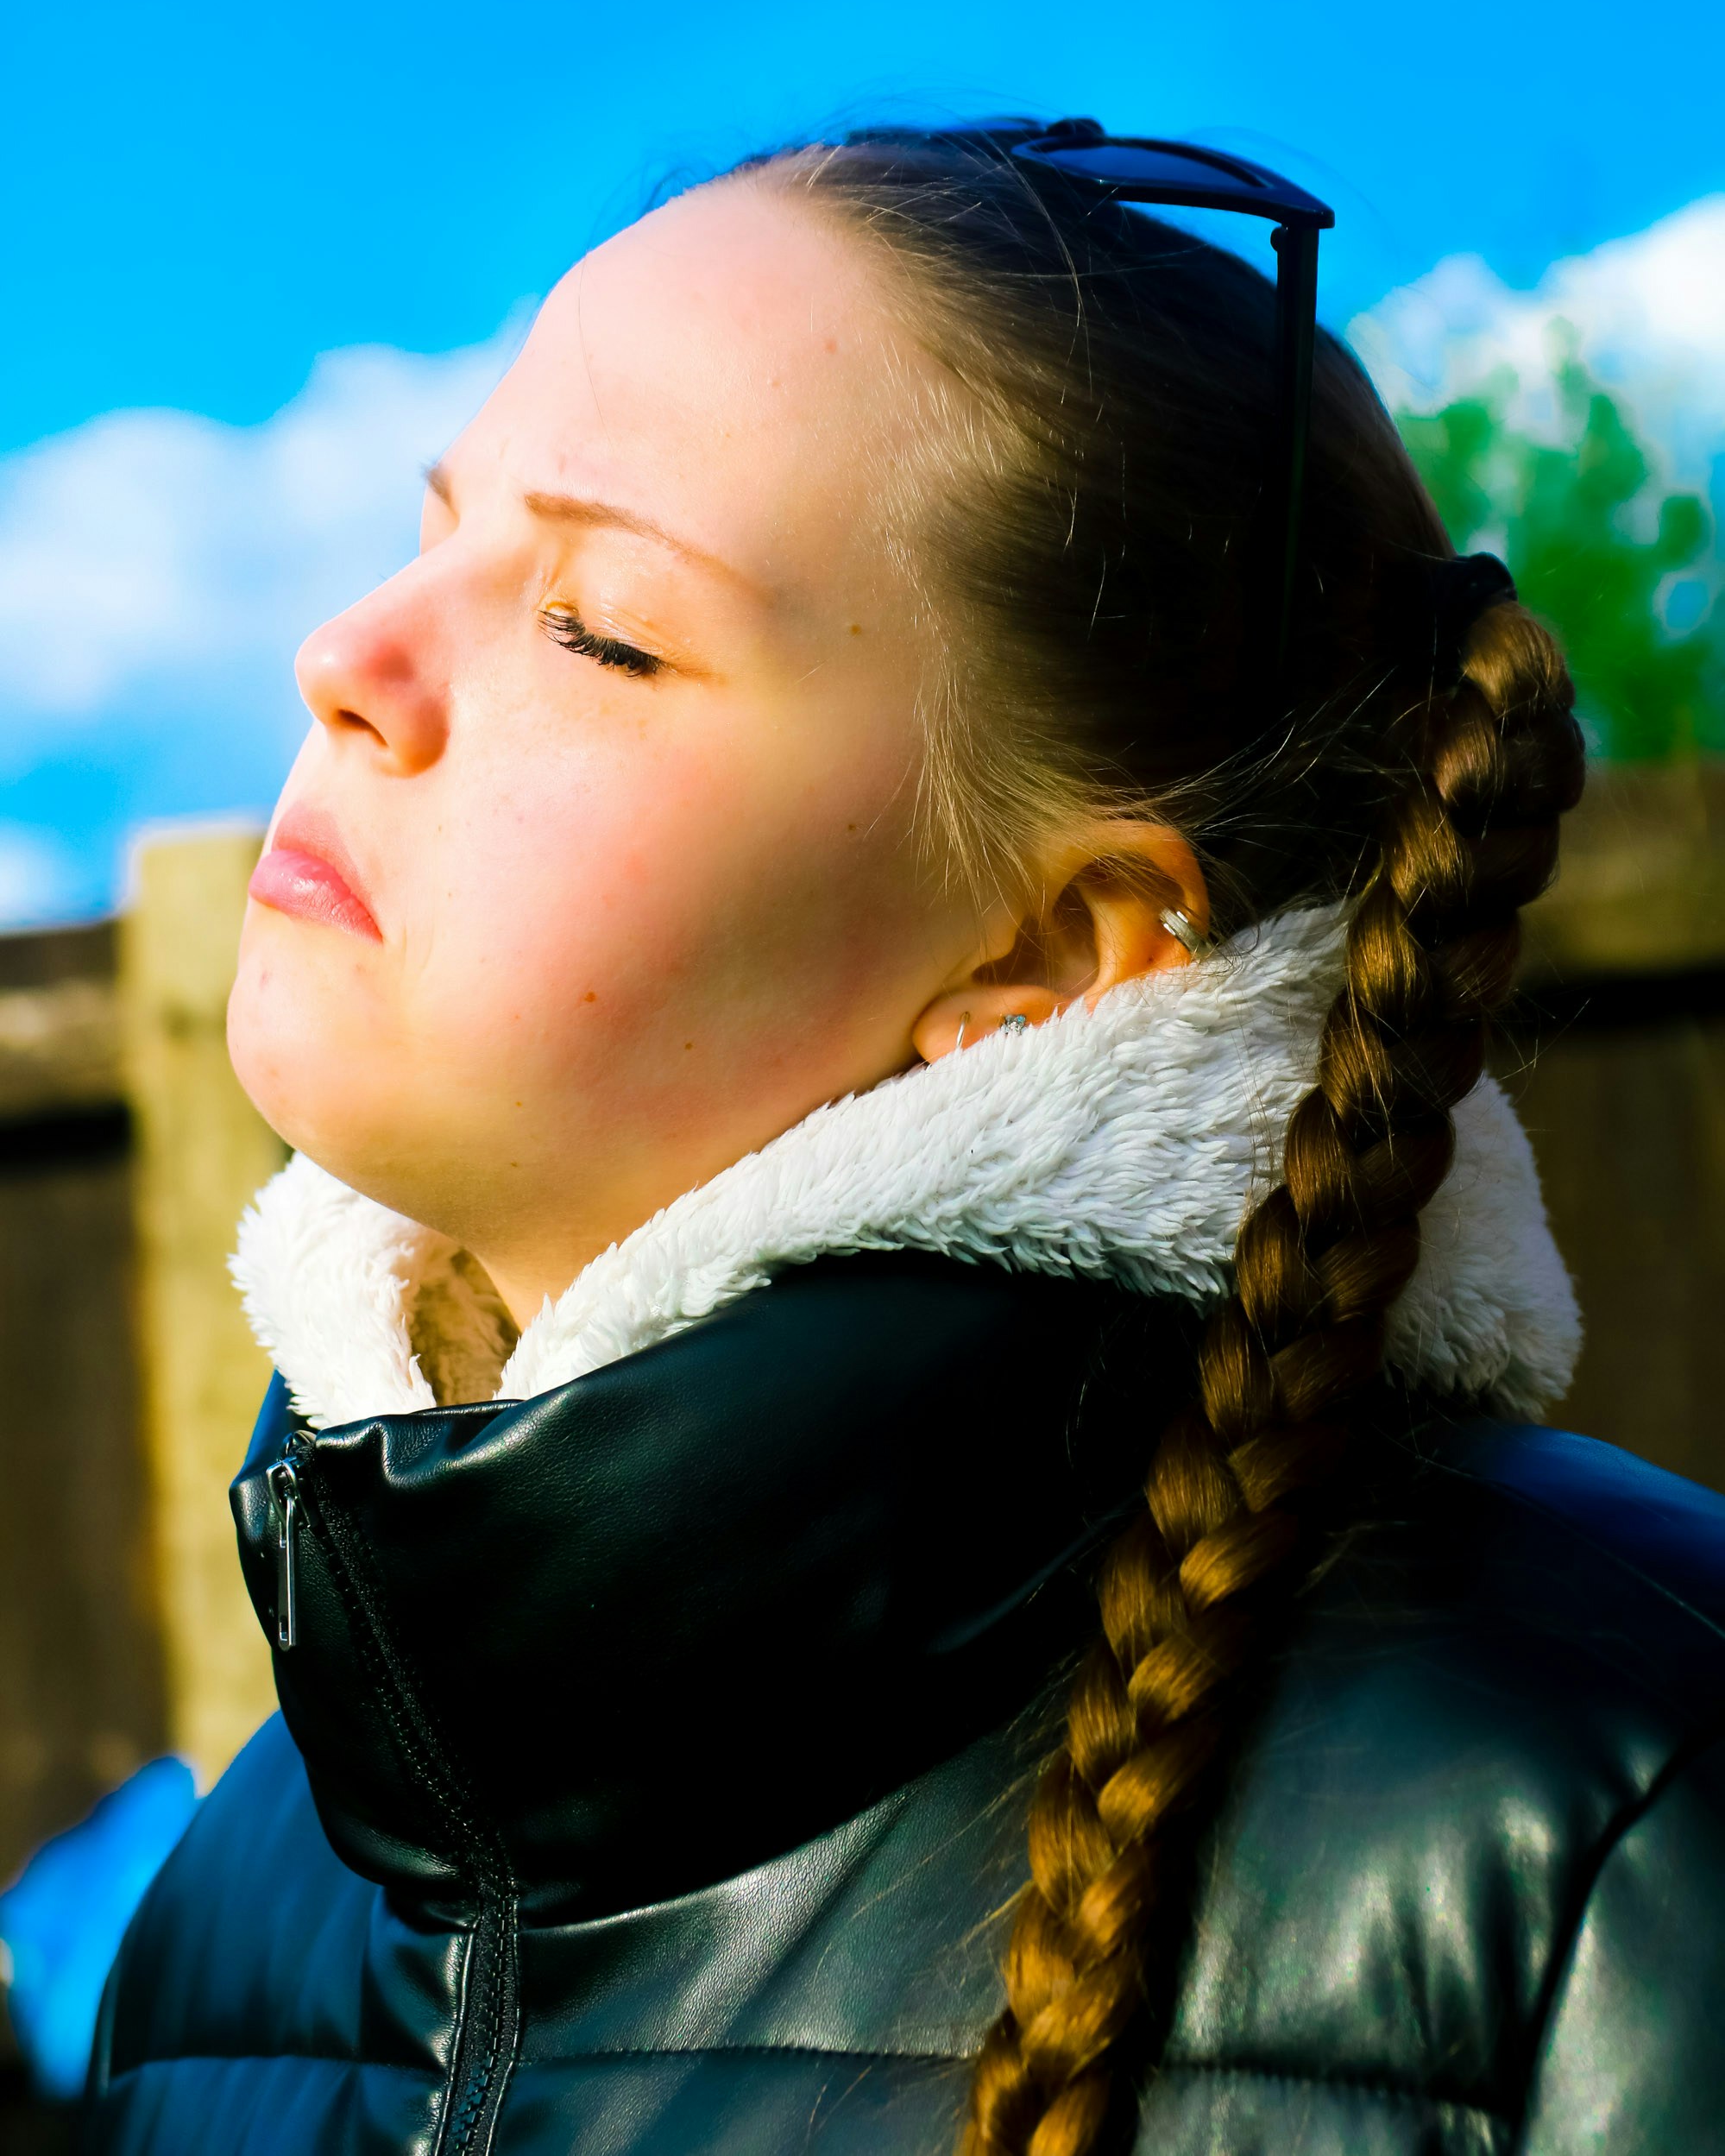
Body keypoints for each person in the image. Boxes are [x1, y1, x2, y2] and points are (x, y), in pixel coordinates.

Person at [83, 126, 1725, 2156]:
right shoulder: (240, 1910)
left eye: (600, 628)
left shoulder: (1610, 1836)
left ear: (1045, 948)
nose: (347, 661)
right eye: (435, 532)